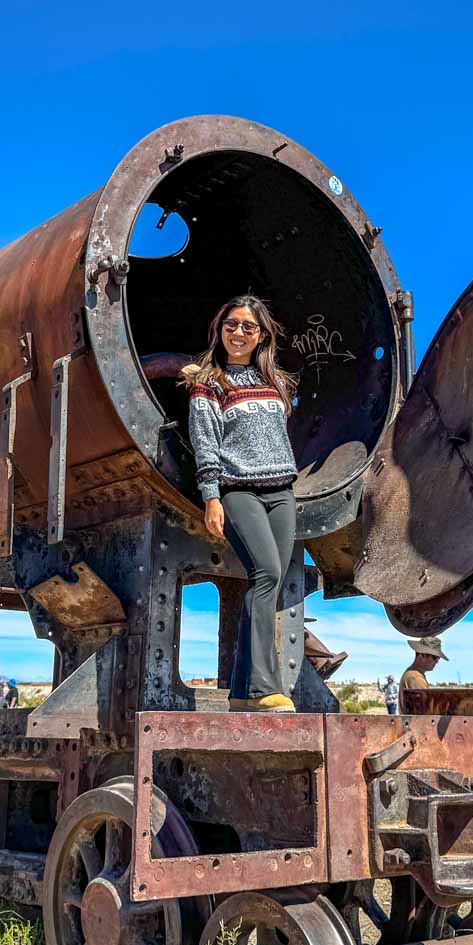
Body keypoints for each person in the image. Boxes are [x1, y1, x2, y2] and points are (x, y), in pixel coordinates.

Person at [184, 293, 299, 713]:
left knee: (272, 580)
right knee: (265, 573)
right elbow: (206, 445)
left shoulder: (276, 383)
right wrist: (212, 497)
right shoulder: (209, 383)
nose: (238, 332)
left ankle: (239, 694)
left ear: (261, 335)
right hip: (239, 490)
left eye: (248, 326)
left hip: (281, 490)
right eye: (231, 324)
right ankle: (264, 688)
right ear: (220, 329)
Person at [399, 636, 447, 708]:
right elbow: (426, 709)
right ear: (421, 655)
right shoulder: (416, 678)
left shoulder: (412, 674)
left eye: (438, 658)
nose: (436, 661)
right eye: (434, 657)